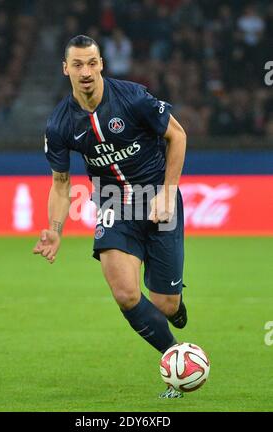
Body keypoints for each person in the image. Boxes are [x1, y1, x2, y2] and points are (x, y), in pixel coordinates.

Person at [33, 35, 187, 399]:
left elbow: (177, 136)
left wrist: (167, 192)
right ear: (65, 68)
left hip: (157, 199)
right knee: (125, 293)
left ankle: (177, 306)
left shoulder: (133, 97)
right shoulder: (59, 124)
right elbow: (60, 183)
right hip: (113, 205)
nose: (85, 72)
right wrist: (55, 230)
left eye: (91, 63)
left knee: (165, 305)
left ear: (102, 64)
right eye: (78, 65)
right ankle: (177, 361)